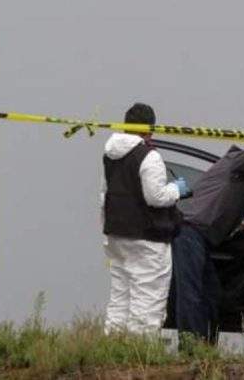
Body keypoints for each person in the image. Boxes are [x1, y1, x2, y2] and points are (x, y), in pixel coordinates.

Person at [172, 144, 244, 343]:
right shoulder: (237, 161)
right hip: (190, 231)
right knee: (191, 293)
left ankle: (205, 346)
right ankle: (190, 348)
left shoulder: (243, 180)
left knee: (211, 294)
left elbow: (228, 210)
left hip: (201, 237)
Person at [101, 103, 191, 335]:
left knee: (120, 297)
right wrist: (177, 190)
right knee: (148, 297)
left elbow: (105, 195)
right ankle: (139, 353)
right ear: (149, 129)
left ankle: (113, 347)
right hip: (147, 238)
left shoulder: (110, 155)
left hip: (116, 235)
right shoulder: (149, 156)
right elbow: (156, 197)